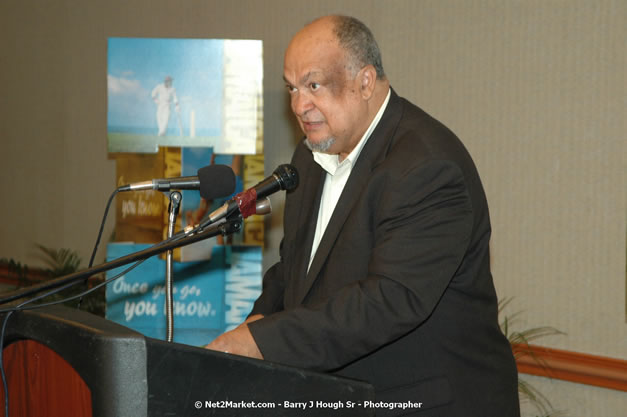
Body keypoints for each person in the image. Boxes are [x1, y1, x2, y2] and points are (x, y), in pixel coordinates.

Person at [206, 15, 520, 416]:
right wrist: (260, 316)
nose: (299, 105)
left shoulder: (427, 167)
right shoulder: (311, 154)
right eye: (292, 88)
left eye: (313, 85)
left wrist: (262, 342)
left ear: (365, 82)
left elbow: (387, 300)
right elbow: (295, 266)